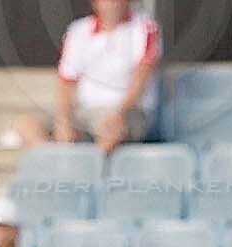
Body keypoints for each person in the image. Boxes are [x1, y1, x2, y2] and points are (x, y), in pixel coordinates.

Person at [14, 0, 161, 153]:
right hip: (84, 110)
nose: (111, 4)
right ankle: (57, 164)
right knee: (27, 123)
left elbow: (141, 78)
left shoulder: (145, 28)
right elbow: (66, 81)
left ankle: (89, 170)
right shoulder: (78, 31)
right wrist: (64, 118)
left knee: (113, 129)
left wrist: (120, 113)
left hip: (125, 111)